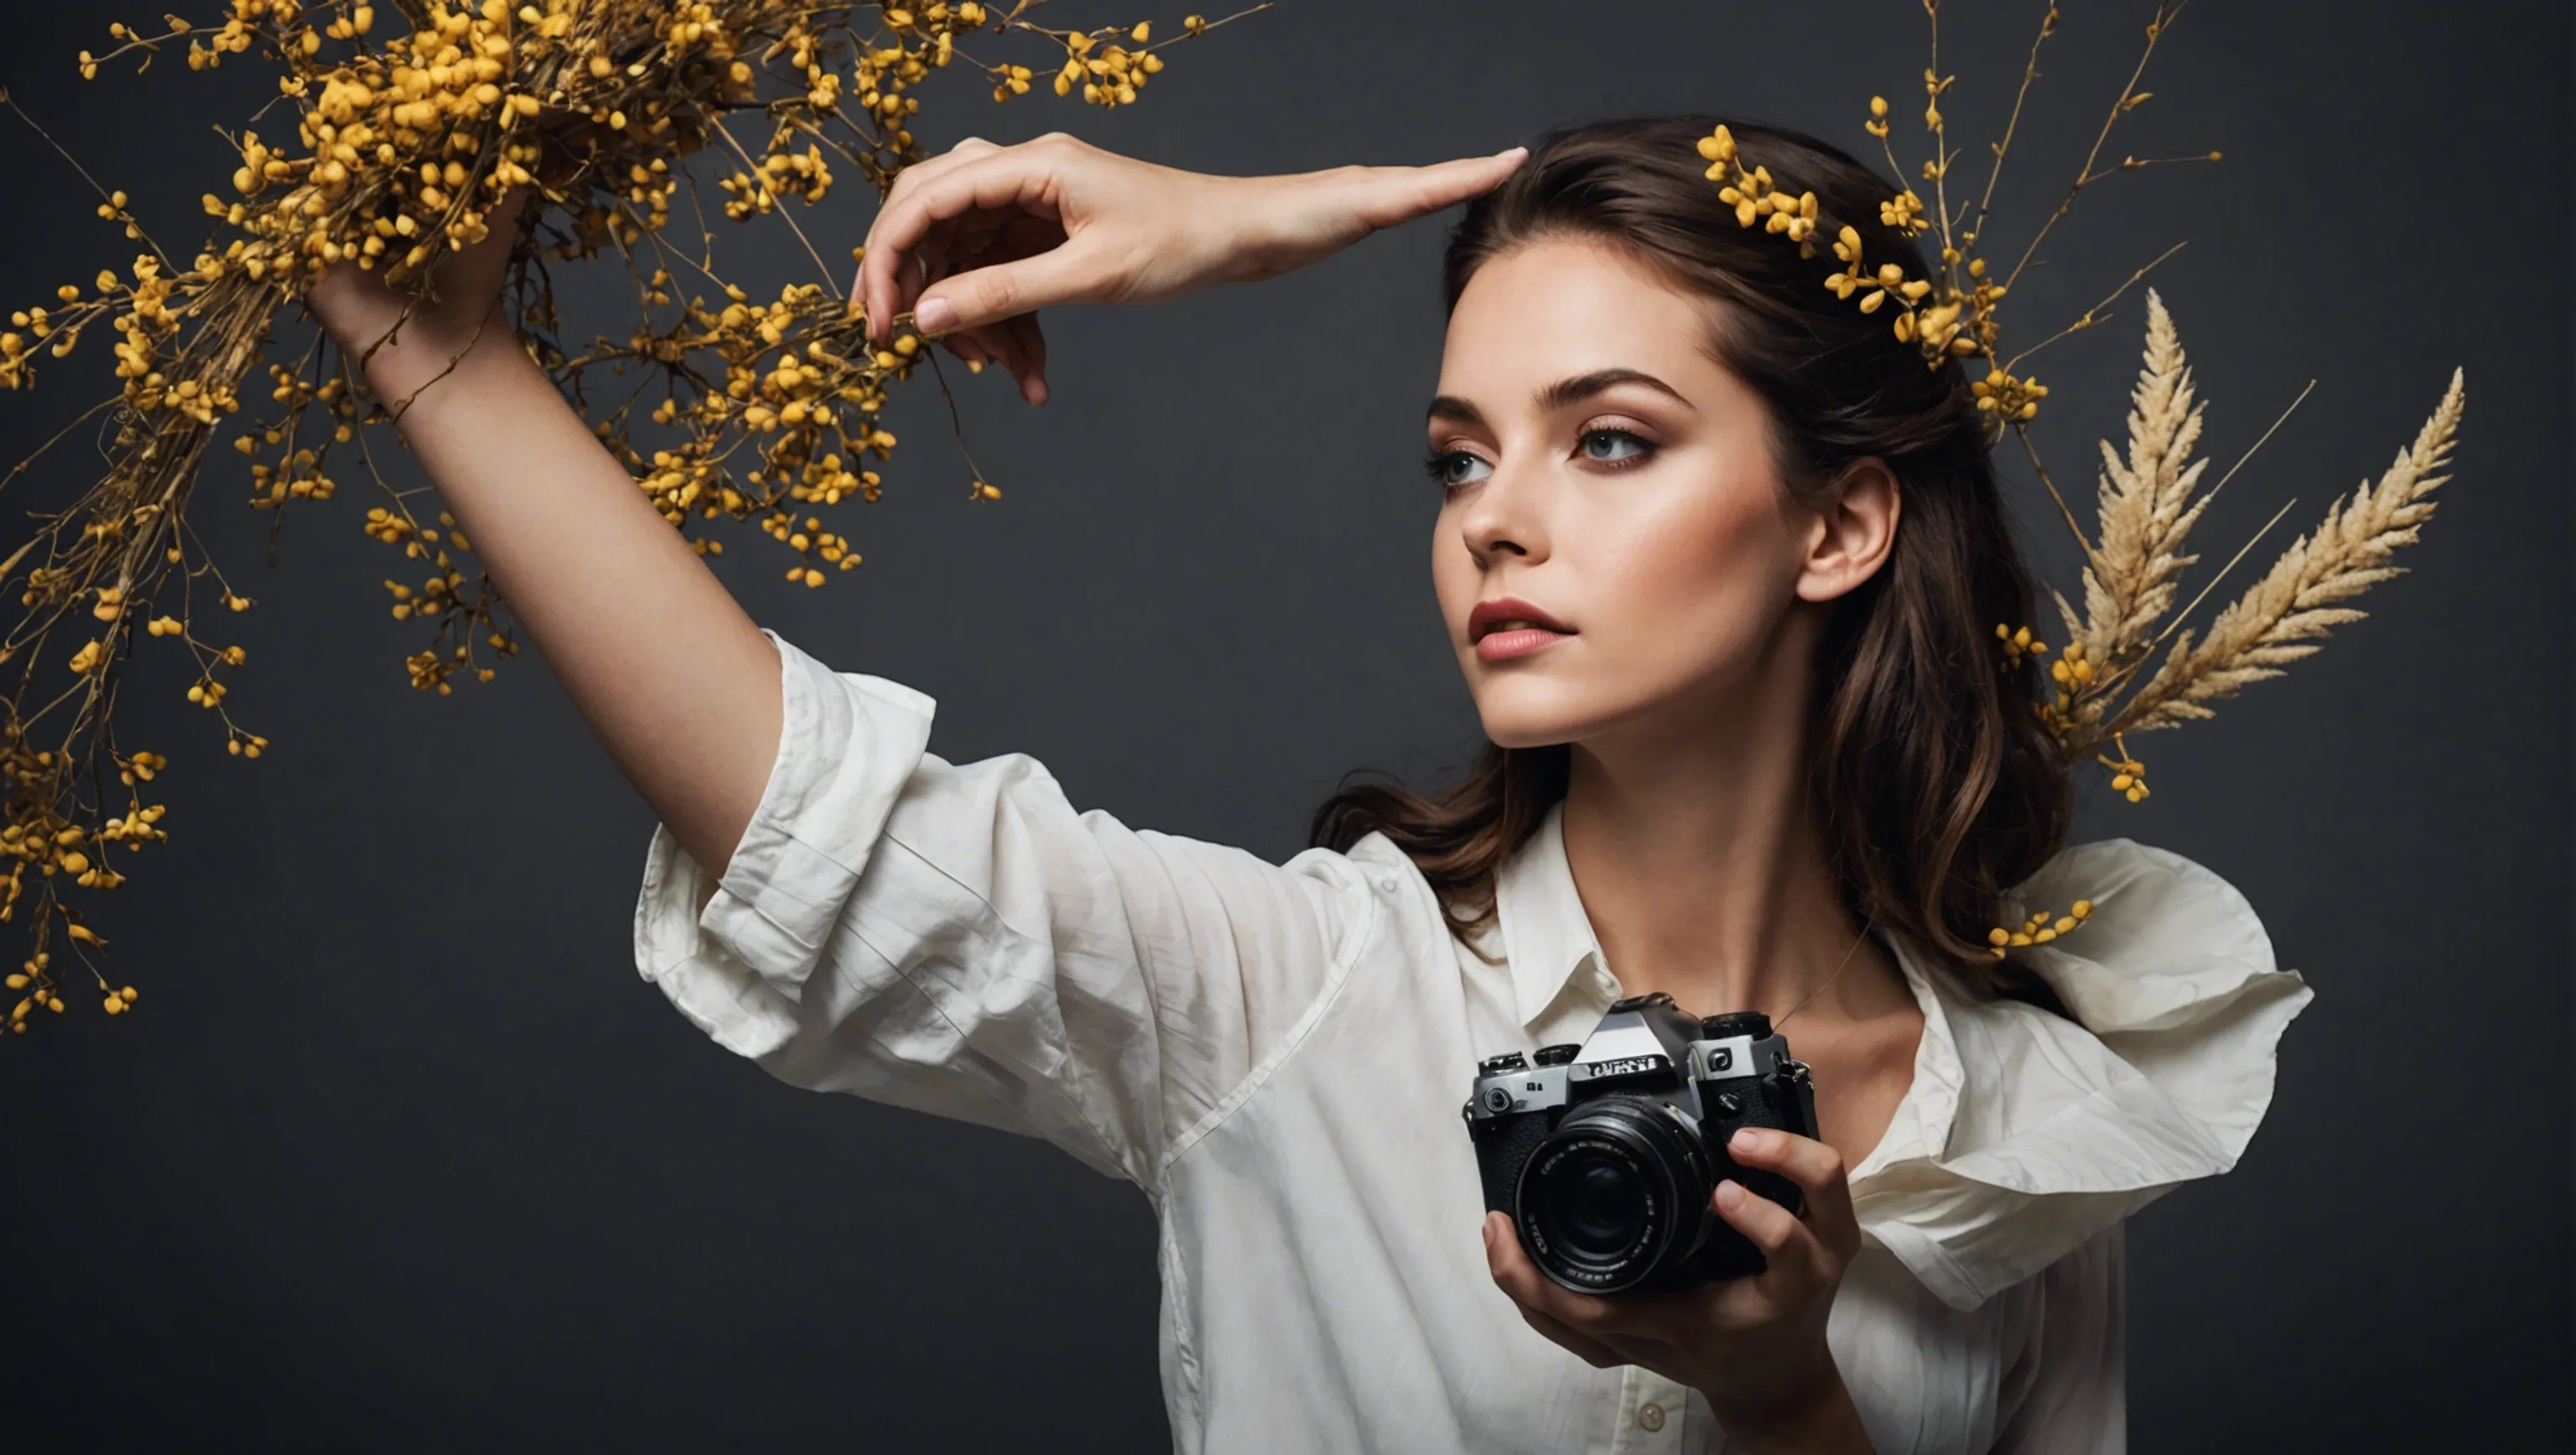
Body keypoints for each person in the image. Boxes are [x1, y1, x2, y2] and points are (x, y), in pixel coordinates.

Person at [307, 115, 2311, 1455]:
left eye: (1606, 440)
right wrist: (438, 352)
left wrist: (1788, 1403)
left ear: (1839, 524)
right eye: (1458, 455)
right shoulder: (1307, 999)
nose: (1493, 526)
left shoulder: (2028, 1111)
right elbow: (804, 819)